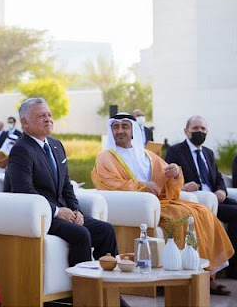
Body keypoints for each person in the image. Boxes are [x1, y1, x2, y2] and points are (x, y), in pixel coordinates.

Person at [92, 113, 234, 294]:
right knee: (182, 218)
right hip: (138, 206)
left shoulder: (147, 155)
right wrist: (142, 186)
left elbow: (166, 181)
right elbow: (107, 183)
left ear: (133, 130)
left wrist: (175, 173)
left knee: (203, 211)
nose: (120, 131)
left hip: (161, 202)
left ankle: (206, 274)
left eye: (125, 127)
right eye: (116, 127)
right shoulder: (106, 157)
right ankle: (181, 278)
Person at [4, 98, 119, 267]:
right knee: (81, 234)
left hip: (64, 211)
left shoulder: (56, 145)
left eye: (49, 114)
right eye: (41, 116)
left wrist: (76, 210)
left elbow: (66, 186)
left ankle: (107, 289)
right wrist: (57, 211)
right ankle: (83, 291)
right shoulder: (21, 149)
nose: (48, 119)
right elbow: (24, 191)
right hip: (41, 215)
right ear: (25, 122)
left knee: (106, 230)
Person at [166, 115, 237, 281]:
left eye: (203, 129)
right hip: (198, 200)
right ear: (186, 131)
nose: (199, 132)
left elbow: (218, 176)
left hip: (216, 198)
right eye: (195, 129)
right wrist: (182, 186)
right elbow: (168, 178)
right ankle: (233, 269)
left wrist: (221, 190)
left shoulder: (208, 152)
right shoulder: (175, 151)